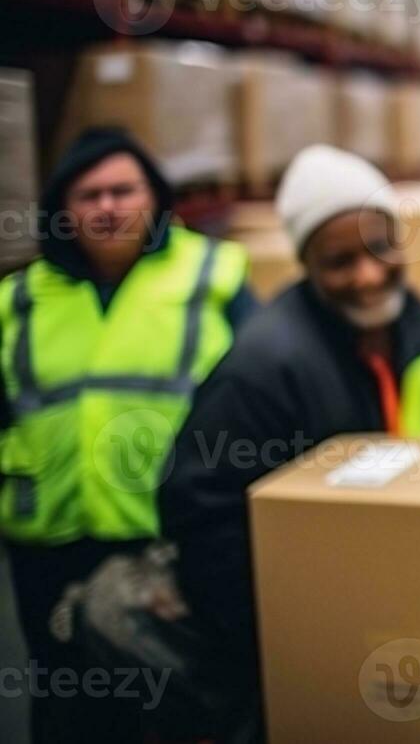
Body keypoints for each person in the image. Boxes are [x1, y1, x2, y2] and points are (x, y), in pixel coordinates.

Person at [158, 144, 420, 742]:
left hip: (397, 600)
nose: (369, 275)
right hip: (322, 633)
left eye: (380, 248)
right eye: (339, 261)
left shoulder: (413, 330)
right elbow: (199, 513)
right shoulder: (265, 368)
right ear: (307, 266)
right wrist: (285, 634)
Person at [0, 128, 253, 743]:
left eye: (123, 190)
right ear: (62, 208)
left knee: (171, 712)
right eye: (89, 195)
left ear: (156, 198)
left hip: (165, 546)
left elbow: (259, 396)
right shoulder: (19, 300)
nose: (108, 207)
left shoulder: (212, 275)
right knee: (69, 710)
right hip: (50, 548)